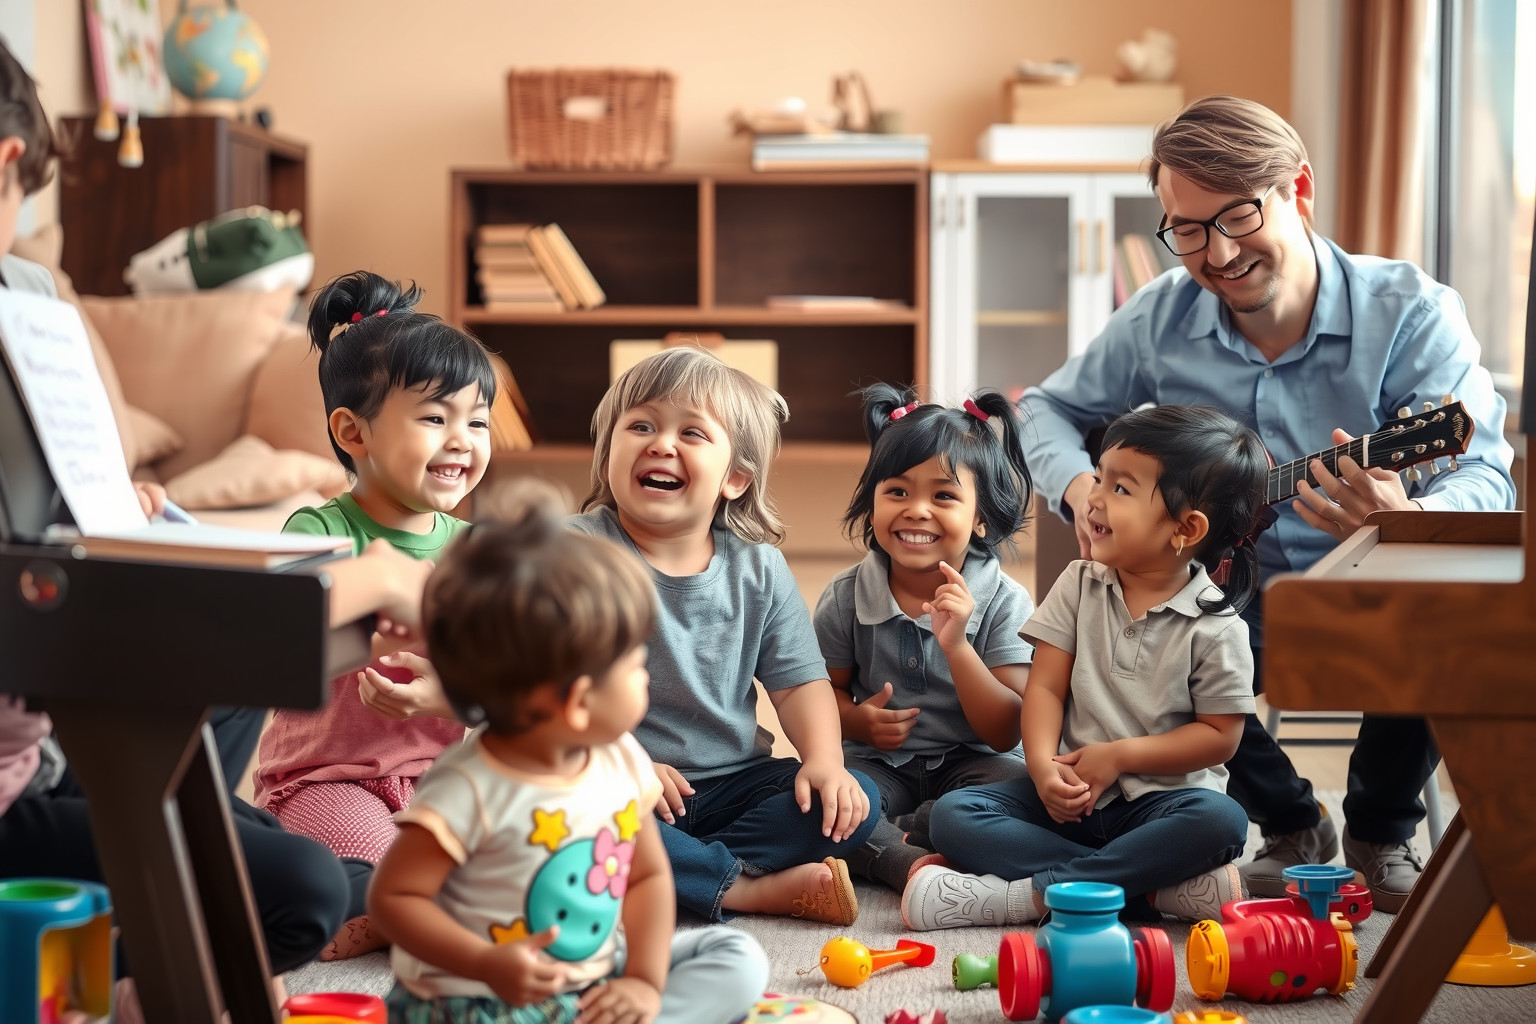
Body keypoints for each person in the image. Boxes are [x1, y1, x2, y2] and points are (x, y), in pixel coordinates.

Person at [0, 44, 437, 1010]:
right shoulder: (19, 299)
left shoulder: (28, 302)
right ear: (9, 164)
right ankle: (140, 936)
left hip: (48, 734)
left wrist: (110, 507)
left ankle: (169, 857)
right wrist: (381, 581)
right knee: (302, 890)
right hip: (25, 759)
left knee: (227, 690)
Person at [1017, 95, 1516, 911]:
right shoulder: (1158, 319)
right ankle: (1289, 825)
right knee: (1113, 619)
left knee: (1450, 596)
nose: (1216, 252)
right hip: (1220, 600)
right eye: (1187, 229)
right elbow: (1043, 408)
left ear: (1299, 190)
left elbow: (1487, 479)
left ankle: (1381, 832)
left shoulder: (1414, 313)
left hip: (1368, 598)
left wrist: (1403, 516)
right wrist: (1082, 489)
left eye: (1237, 216)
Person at [368, 503, 768, 1024]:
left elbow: (646, 877)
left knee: (738, 958)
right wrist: (486, 964)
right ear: (579, 701)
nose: (646, 677)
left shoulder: (623, 758)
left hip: (589, 979)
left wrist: (644, 984)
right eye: (635, 664)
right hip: (481, 1000)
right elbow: (393, 899)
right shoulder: (467, 787)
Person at [903, 405, 1264, 929]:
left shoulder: (1218, 627)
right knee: (955, 816)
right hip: (1070, 800)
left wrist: (1118, 757)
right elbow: (1044, 690)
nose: (1093, 497)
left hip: (1161, 807)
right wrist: (1046, 767)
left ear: (1185, 528)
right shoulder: (1079, 582)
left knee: (1224, 822)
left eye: (1120, 489)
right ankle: (1154, 892)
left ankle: (1031, 896)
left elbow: (1219, 737)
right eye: (1100, 477)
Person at [569, 346, 880, 926]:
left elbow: (799, 684)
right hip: (611, 778)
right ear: (609, 449)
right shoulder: (570, 551)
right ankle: (743, 890)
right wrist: (621, 761)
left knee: (856, 801)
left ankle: (668, 874)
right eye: (640, 426)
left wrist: (825, 761)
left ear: (735, 478)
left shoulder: (758, 568)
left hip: (732, 786)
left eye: (692, 433)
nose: (661, 444)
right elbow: (539, 683)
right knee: (557, 809)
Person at [253, 269, 497, 957]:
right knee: (369, 862)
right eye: (434, 418)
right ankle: (380, 905)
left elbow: (508, 675)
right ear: (352, 432)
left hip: (442, 779)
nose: (462, 440)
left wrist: (447, 685)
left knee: (520, 851)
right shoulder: (318, 532)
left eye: (476, 421)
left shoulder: (474, 551)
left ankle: (405, 908)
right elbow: (287, 626)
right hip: (331, 779)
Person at [813, 384, 1035, 891]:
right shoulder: (847, 594)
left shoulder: (1004, 600)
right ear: (872, 504)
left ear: (980, 519)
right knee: (812, 796)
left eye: (944, 495)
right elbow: (820, 692)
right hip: (878, 764)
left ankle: (917, 833)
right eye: (897, 491)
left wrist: (956, 646)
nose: (916, 510)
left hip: (977, 761)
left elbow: (1007, 731)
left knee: (1025, 790)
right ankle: (907, 863)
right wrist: (857, 721)